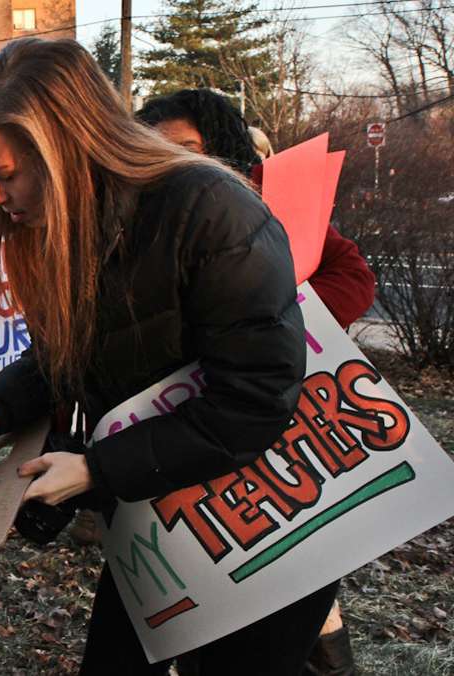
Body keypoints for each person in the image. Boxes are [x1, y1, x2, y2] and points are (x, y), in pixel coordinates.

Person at [0, 38, 335, 675]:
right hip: (158, 518)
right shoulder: (67, 223)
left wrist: (97, 470)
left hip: (270, 524)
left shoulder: (211, 211)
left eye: (4, 174)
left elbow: (254, 401)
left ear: (66, 149)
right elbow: (68, 352)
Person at [136, 90, 375, 676]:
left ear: (226, 150)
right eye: (157, 150)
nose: (175, 162)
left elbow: (354, 275)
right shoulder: (142, 217)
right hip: (194, 432)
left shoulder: (270, 201)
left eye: (188, 149)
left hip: (286, 428)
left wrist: (284, 321)